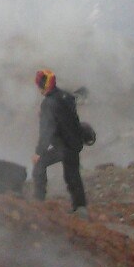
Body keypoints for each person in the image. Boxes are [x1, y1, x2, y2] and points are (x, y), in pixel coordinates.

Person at [32, 69, 88, 217]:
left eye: (39, 86)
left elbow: (47, 131)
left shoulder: (48, 104)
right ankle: (81, 208)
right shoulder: (66, 96)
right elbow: (70, 107)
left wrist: (39, 152)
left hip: (62, 146)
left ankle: (38, 203)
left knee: (40, 164)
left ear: (43, 86)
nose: (38, 89)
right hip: (75, 143)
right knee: (73, 175)